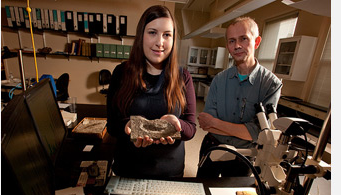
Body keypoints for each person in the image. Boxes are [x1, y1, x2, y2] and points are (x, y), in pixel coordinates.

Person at [106, 5, 196, 179]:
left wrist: (177, 123)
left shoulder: (183, 76)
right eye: (152, 32)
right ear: (141, 36)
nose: (160, 42)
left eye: (167, 35)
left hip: (169, 172)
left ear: (173, 38)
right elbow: (112, 125)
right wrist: (128, 126)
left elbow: (191, 128)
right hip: (128, 169)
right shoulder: (121, 73)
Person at [196, 17, 283, 178]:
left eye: (243, 39)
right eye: (231, 41)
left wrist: (216, 123)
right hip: (212, 147)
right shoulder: (219, 80)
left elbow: (258, 133)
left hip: (244, 156)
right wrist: (241, 130)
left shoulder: (270, 84)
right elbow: (205, 125)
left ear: (256, 42)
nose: (237, 46)